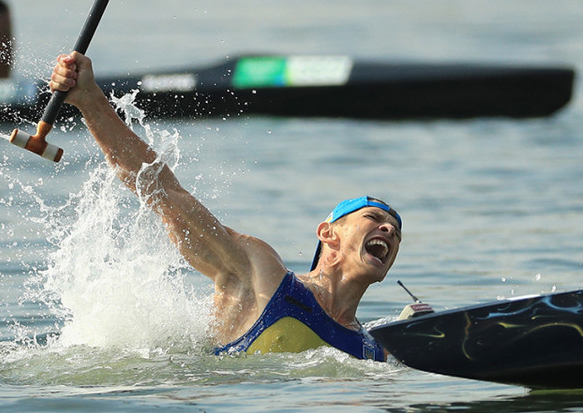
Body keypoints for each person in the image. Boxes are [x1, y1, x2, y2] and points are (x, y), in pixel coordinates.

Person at [48, 50, 430, 360]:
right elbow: (167, 194)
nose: (389, 230)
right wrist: (91, 102)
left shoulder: (374, 349)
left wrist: (417, 335)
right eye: (374, 218)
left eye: (395, 231)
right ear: (327, 233)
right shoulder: (263, 276)